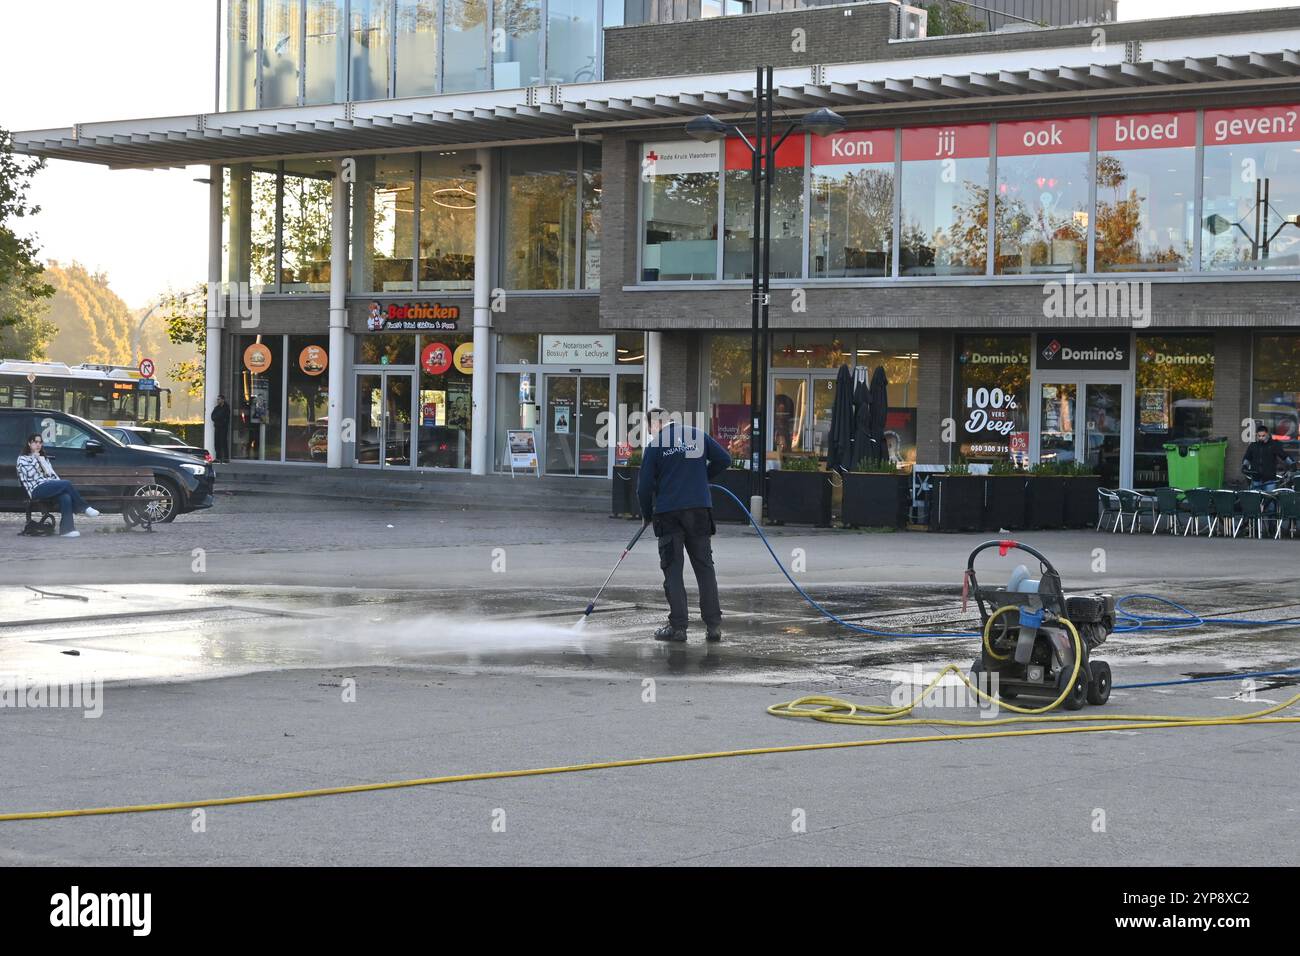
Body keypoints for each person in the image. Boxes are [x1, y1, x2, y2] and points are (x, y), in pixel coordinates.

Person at [636, 410, 732, 643]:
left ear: (655, 424)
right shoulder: (697, 435)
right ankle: (713, 626)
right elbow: (724, 459)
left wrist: (647, 514)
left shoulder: (655, 445)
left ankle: (678, 627)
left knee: (673, 570)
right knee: (705, 568)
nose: (649, 433)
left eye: (648, 429)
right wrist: (703, 477)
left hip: (669, 514)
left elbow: (644, 486)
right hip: (699, 511)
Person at [16, 434, 100, 538]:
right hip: (36, 490)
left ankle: (67, 530)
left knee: (65, 496)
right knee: (67, 483)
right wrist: (35, 459)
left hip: (49, 487)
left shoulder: (43, 458)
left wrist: (59, 485)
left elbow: (52, 475)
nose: (38, 445)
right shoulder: (22, 459)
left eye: (40, 442)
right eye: (35, 442)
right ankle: (84, 507)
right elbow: (30, 474)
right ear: (29, 444)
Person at [1243, 424, 1294, 492]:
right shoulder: (1253, 446)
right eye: (1259, 436)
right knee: (1255, 501)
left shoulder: (1273, 445)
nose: (1261, 438)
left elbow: (1284, 456)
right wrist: (1244, 466)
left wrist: (1292, 464)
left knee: (1270, 500)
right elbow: (1247, 458)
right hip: (1256, 479)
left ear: (1267, 434)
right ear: (1256, 435)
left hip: (1270, 480)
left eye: (1263, 435)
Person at [211, 395, 231, 463]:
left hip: (223, 428)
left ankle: (226, 458)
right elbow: (213, 417)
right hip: (217, 427)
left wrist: (219, 417)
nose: (218, 401)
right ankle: (218, 458)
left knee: (223, 442)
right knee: (217, 442)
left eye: (219, 399)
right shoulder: (216, 408)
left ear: (223, 400)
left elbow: (225, 418)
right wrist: (219, 417)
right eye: (217, 399)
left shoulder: (226, 408)